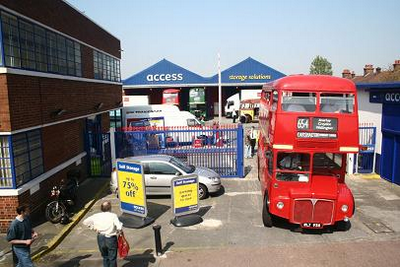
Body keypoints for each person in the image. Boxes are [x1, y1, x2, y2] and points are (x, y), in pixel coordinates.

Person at [83, 201, 123, 267]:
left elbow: (85, 222)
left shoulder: (96, 216)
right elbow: (119, 227)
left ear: (102, 208)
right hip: (110, 238)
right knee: (112, 258)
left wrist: (93, 228)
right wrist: (119, 231)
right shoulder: (113, 216)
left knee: (105, 257)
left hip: (100, 238)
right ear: (110, 208)